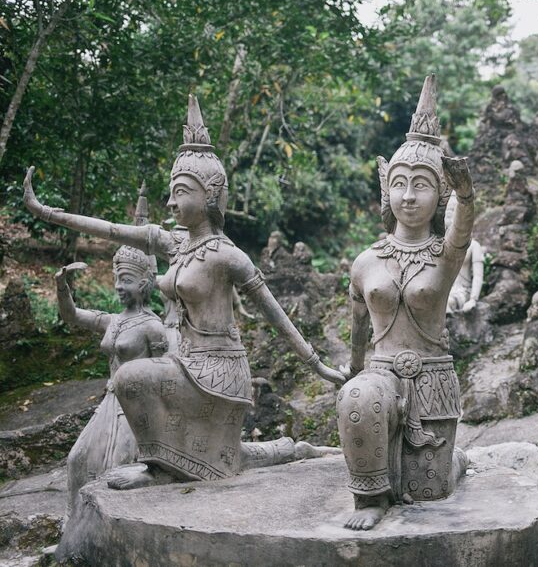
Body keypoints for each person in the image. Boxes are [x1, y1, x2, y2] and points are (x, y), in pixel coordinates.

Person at [24, 95, 344, 491]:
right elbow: (110, 229)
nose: (171, 202)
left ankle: (163, 469)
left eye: (181, 192)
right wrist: (48, 213)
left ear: (209, 196)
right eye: (171, 192)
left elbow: (276, 316)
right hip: (184, 364)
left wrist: (320, 367)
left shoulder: (228, 256)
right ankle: (164, 466)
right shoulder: (176, 245)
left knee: (132, 378)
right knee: (132, 379)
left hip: (221, 372)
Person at [338, 75, 474, 530]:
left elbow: (460, 236)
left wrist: (466, 195)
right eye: (399, 183)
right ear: (386, 190)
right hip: (380, 376)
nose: (409, 195)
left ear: (439, 196)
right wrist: (352, 368)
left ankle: (456, 461)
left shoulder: (444, 256)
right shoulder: (365, 260)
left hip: (431, 382)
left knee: (430, 492)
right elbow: (358, 324)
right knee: (357, 395)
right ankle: (370, 500)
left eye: (421, 185)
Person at [58, 210, 167, 516]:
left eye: (127, 280)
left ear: (144, 285)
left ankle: (121, 528)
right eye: (117, 279)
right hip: (110, 403)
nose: (119, 286)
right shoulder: (112, 320)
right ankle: (76, 525)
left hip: (137, 409)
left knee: (119, 468)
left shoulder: (153, 326)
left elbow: (163, 375)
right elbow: (72, 316)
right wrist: (61, 286)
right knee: (78, 459)